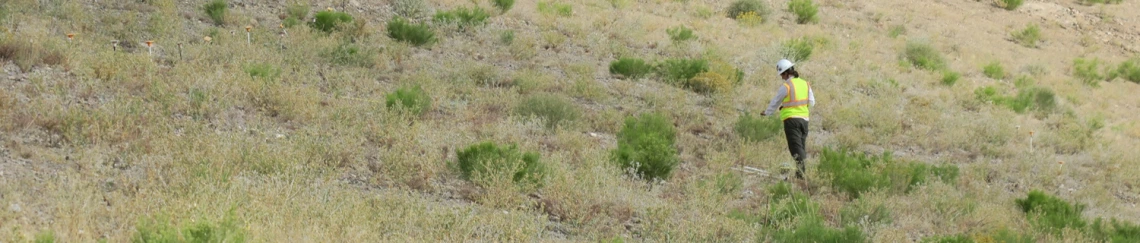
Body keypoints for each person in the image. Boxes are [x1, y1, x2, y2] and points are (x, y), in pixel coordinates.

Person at [761, 59, 815, 179]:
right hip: (804, 120)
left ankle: (801, 175)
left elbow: (776, 101)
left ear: (786, 73)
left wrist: (767, 112)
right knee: (800, 146)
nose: (781, 77)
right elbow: (812, 102)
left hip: (791, 120)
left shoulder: (787, 86)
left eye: (781, 74)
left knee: (795, 148)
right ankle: (799, 175)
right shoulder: (805, 84)